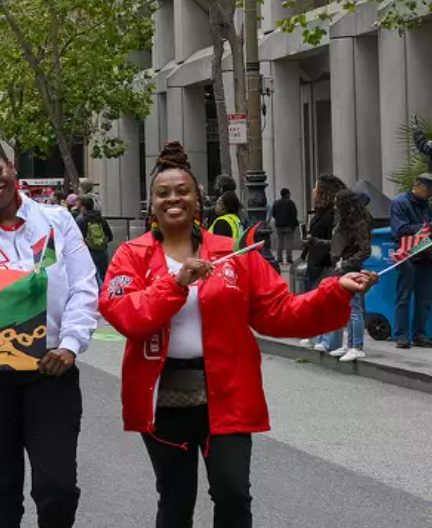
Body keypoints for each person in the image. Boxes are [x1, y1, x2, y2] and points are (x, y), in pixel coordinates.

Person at [99, 141, 375, 528]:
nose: (173, 198)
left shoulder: (232, 253)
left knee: (233, 493)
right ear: (152, 205)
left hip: (228, 393)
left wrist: (335, 290)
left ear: (198, 200)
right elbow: (125, 315)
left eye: (182, 191)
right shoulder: (131, 255)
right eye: (163, 193)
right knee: (175, 499)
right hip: (163, 401)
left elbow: (279, 311)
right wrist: (175, 284)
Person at [0, 140, 98, 528]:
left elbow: (84, 287)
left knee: (58, 487)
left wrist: (70, 346)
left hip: (50, 371)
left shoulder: (58, 221)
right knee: (1, 491)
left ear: (11, 167)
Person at [322, 190, 373, 362]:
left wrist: (346, 263)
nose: (335, 205)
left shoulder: (359, 224)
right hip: (343, 267)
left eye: (337, 202)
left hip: (351, 268)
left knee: (354, 308)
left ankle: (357, 346)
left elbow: (365, 250)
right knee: (348, 307)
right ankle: (350, 343)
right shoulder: (346, 221)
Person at [301, 175, 346, 353]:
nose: (313, 191)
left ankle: (328, 340)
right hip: (315, 259)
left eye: (316, 187)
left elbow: (335, 240)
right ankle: (317, 335)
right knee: (315, 299)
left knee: (326, 300)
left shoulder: (333, 213)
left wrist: (315, 241)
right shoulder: (319, 211)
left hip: (326, 261)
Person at [390, 173, 432, 349]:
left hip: (425, 254)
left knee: (424, 298)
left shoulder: (426, 205)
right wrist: (426, 228)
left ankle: (419, 334)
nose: (430, 194)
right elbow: (399, 229)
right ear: (419, 186)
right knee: (404, 296)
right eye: (429, 190)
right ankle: (401, 335)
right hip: (406, 254)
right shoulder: (400, 202)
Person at [76, 197, 114, 285]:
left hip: (89, 251)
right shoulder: (101, 219)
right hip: (103, 250)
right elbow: (110, 236)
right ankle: (105, 291)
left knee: (93, 276)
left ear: (83, 208)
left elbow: (77, 238)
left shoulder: (81, 220)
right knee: (104, 275)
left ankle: (98, 291)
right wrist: (100, 242)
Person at [270, 188, 300, 265]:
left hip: (279, 226)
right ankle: (289, 259)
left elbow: (273, 214)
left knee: (280, 243)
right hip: (289, 226)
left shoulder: (276, 203)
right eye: (289, 193)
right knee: (289, 243)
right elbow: (294, 214)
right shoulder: (291, 203)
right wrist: (293, 224)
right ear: (287, 194)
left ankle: (279, 259)